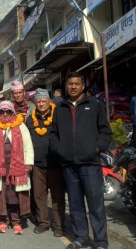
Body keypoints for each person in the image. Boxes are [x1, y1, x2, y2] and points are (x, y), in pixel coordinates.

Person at [50, 72, 112, 249]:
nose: (73, 87)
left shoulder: (94, 105)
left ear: (83, 85)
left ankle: (100, 241)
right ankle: (81, 237)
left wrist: (96, 148)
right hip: (69, 165)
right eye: (70, 84)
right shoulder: (60, 108)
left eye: (77, 83)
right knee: (75, 205)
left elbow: (105, 132)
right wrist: (61, 150)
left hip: (90, 165)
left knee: (96, 205)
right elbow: (53, 134)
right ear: (66, 86)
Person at [0, 100, 34, 235]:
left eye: (8, 111)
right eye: (2, 112)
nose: (5, 114)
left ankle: (16, 222)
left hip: (16, 169)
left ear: (12, 112)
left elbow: (28, 145)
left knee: (15, 196)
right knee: (0, 195)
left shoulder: (20, 126)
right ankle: (2, 221)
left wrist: (28, 163)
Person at [25, 88, 65, 237]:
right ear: (35, 103)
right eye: (38, 101)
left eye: (44, 101)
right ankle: (43, 222)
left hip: (54, 163)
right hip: (37, 163)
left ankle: (59, 225)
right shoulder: (30, 119)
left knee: (57, 195)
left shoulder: (58, 115)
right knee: (39, 195)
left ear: (49, 101)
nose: (41, 104)